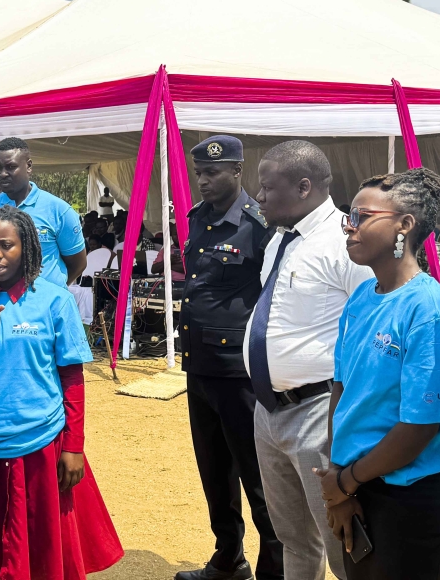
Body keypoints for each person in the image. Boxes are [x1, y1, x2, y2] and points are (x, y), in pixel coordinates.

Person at [0, 204, 123, 580]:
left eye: (7, 245)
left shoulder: (53, 299)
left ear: (26, 248)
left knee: (44, 547)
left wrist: (74, 446)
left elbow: (72, 380)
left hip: (41, 442)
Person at [317, 168, 440, 580]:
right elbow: (342, 388)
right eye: (349, 216)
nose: (349, 227)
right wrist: (338, 475)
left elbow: (419, 427)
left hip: (410, 499)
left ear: (405, 225)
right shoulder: (364, 297)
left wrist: (345, 481)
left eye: (361, 216)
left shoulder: (430, 313)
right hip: (359, 485)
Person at [242, 140, 372, 580]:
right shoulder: (280, 238)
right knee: (293, 539)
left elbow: (371, 329)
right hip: (269, 411)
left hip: (320, 412)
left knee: (342, 543)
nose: (258, 196)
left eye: (266, 187)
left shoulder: (346, 242)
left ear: (303, 186)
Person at [175, 136, 283, 580]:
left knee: (259, 481)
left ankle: (273, 569)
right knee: (214, 472)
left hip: (239, 374)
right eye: (199, 172)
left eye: (213, 172)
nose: (203, 180)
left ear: (238, 171)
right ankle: (228, 557)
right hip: (198, 366)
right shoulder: (197, 219)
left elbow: (273, 296)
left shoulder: (260, 226)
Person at [0, 137, 87, 287]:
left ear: (28, 166)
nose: (3, 174)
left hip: (47, 305)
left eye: (10, 167)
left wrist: (52, 291)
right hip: (3, 303)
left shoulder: (59, 210)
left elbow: (78, 264)